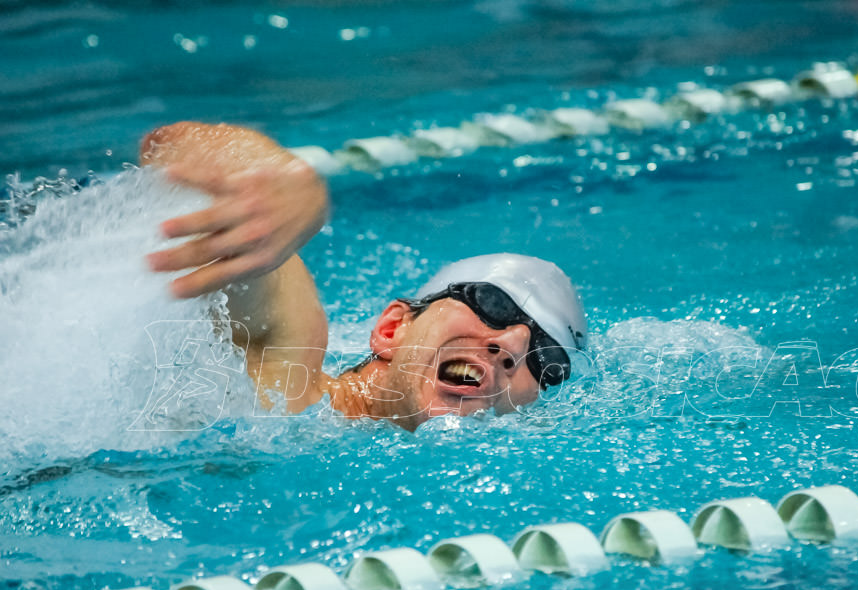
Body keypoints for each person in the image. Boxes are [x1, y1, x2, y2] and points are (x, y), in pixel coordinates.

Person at [140, 122, 586, 430]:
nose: (513, 345)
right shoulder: (290, 373)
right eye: (493, 305)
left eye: (547, 359)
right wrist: (299, 191)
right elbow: (167, 148)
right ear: (393, 329)